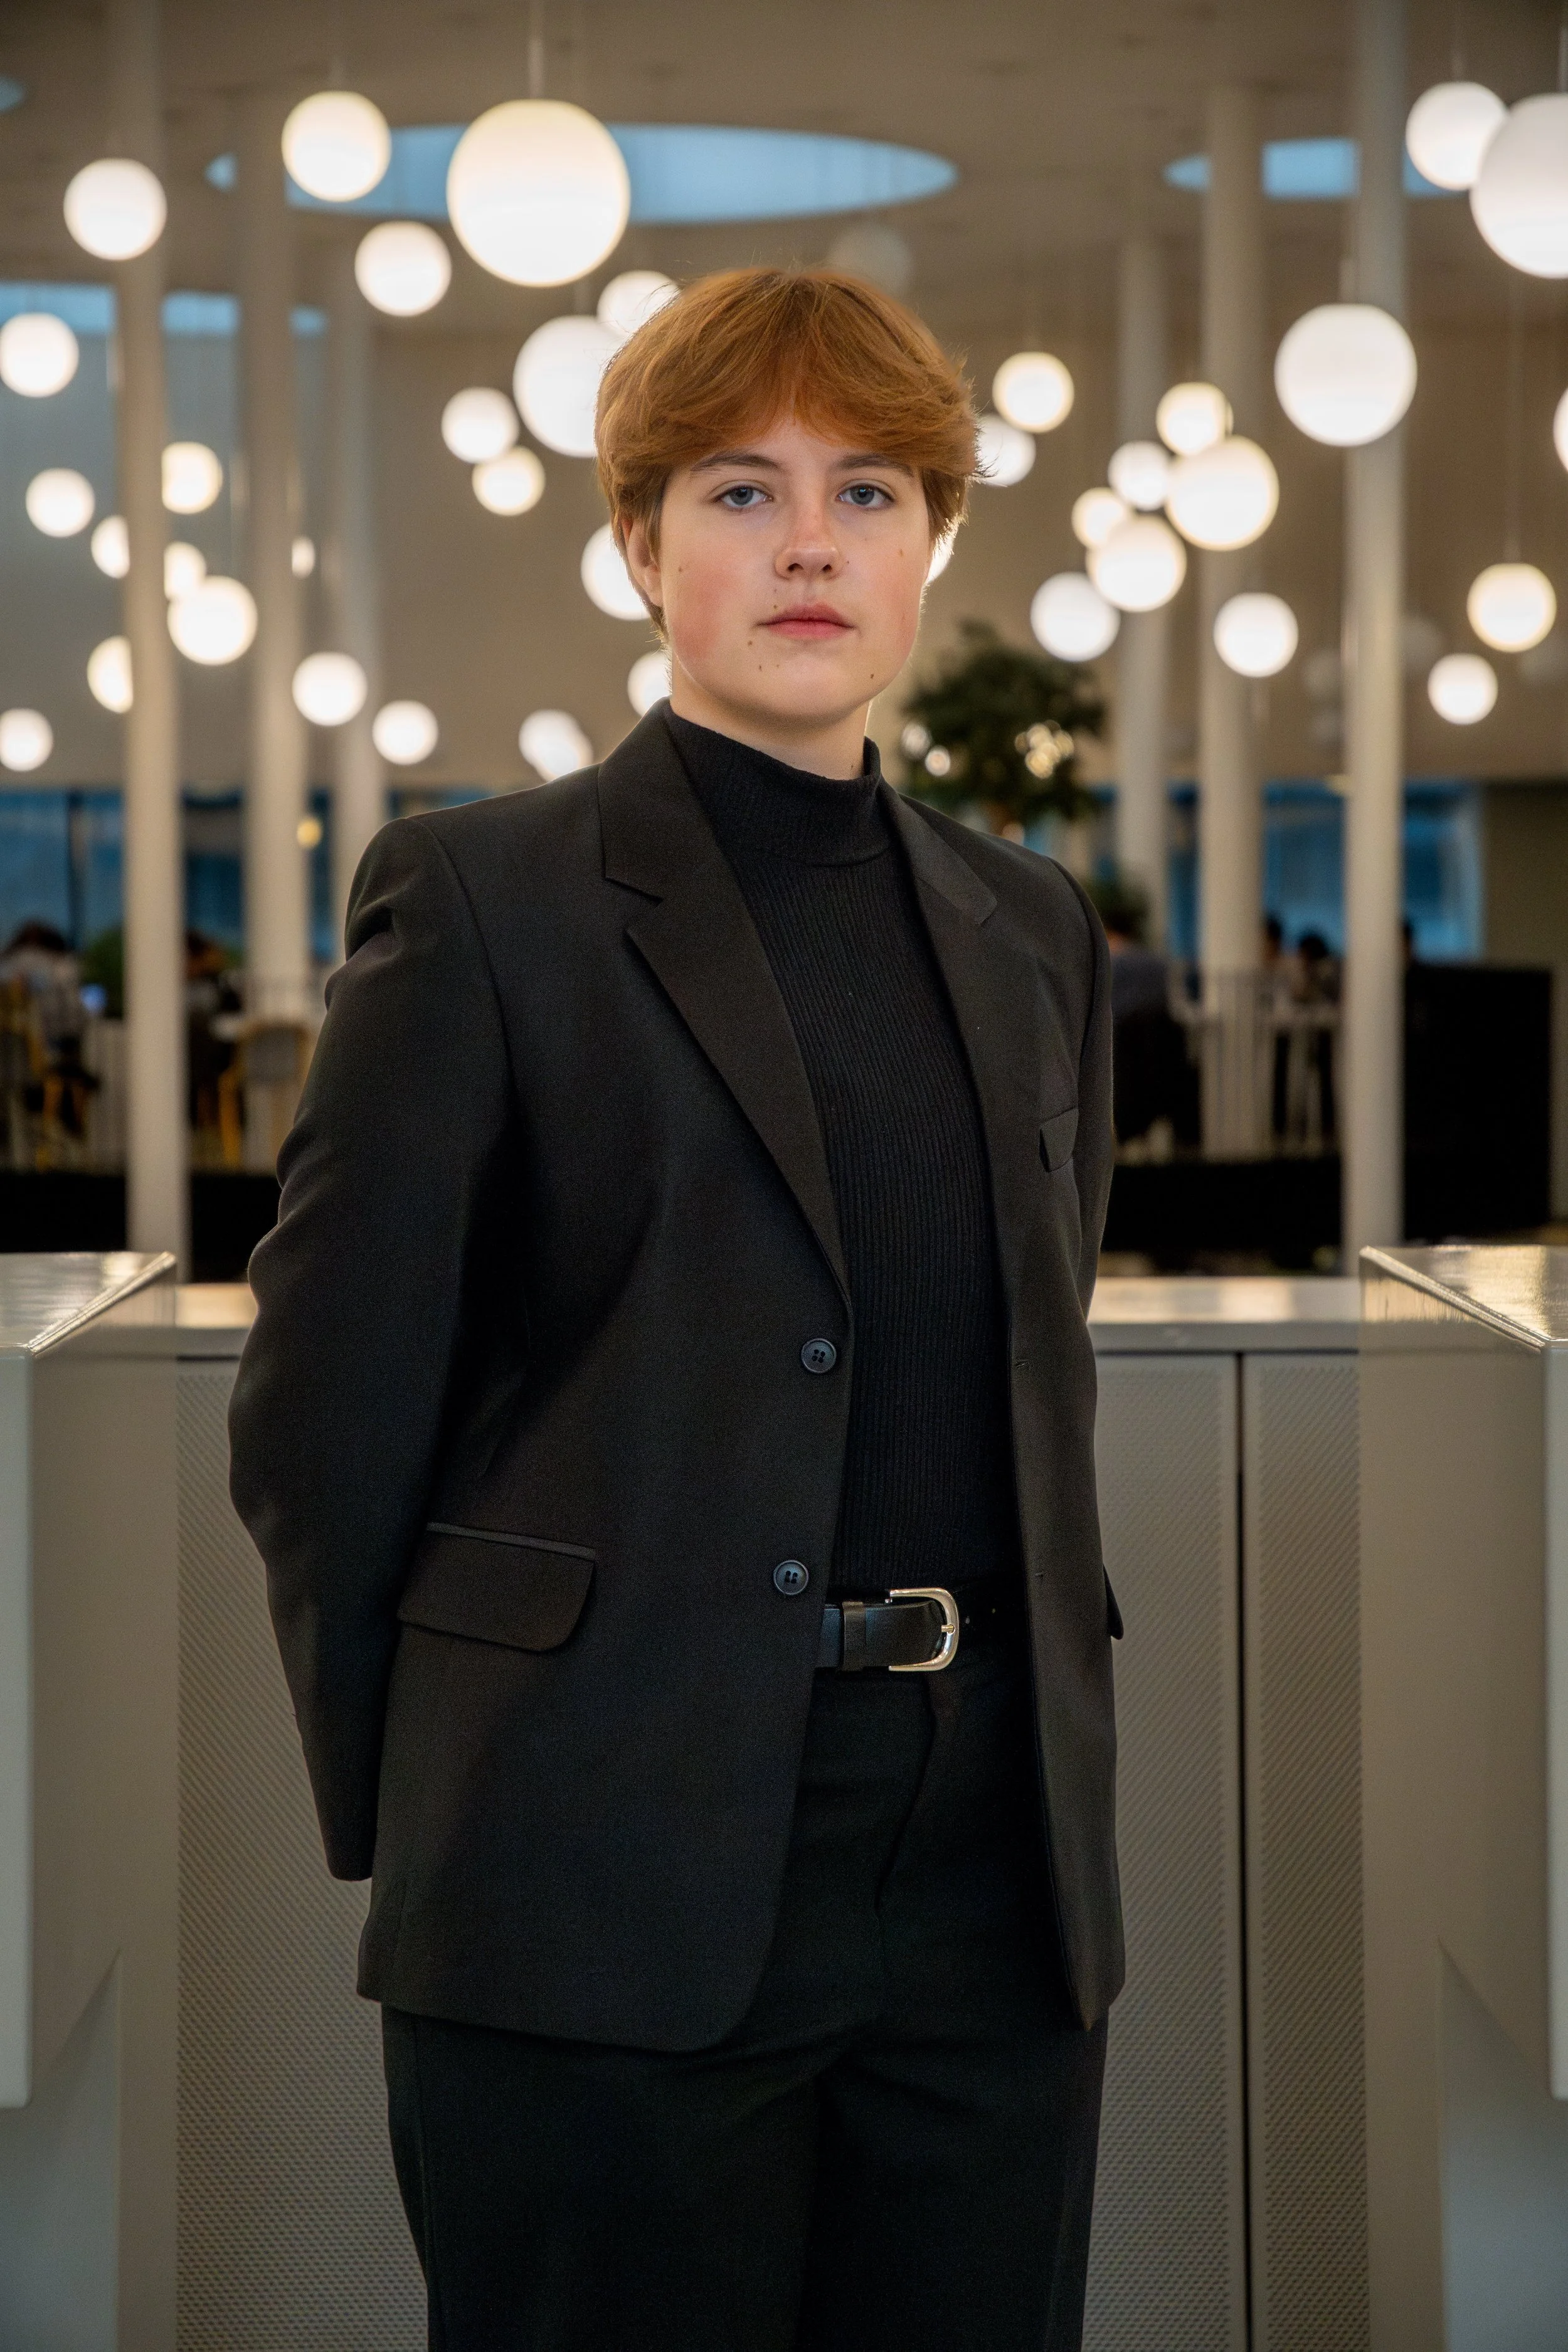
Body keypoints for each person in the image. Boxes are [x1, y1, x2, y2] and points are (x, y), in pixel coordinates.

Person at [228, 266, 1120, 2352]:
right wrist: (435, 1804)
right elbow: (323, 1419)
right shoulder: (478, 901)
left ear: (933, 545)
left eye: (871, 491)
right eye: (739, 489)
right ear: (638, 544)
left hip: (988, 1882)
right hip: (589, 1858)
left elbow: (1028, 1357)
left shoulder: (1028, 926)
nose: (810, 541)